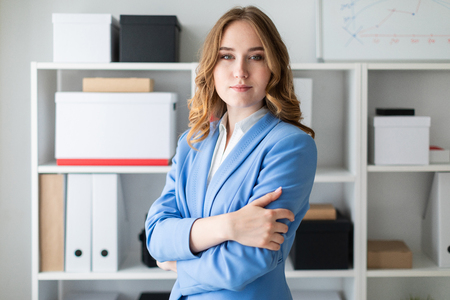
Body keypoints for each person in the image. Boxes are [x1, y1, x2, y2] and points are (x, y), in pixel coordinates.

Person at [145, 5, 317, 300]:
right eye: (227, 56)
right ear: (211, 66)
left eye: (256, 56)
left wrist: (179, 265)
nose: (240, 71)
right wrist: (230, 226)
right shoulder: (192, 143)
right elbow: (156, 236)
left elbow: (250, 260)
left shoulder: (290, 145)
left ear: (273, 67)